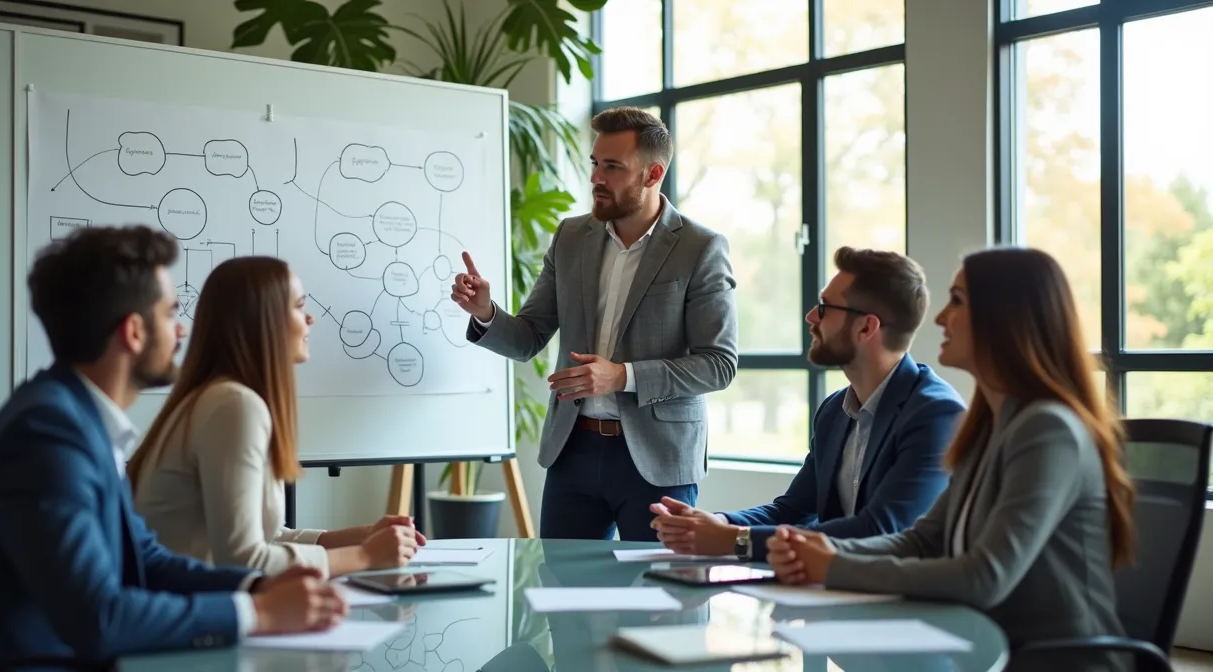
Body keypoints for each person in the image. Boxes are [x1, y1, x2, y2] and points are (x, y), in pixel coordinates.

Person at [0, 226, 347, 666]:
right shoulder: (45, 435)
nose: (182, 331)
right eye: (170, 314)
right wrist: (258, 613)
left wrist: (255, 587)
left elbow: (147, 560)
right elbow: (99, 618)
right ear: (134, 332)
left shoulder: (76, 418)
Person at [767, 247, 1136, 671]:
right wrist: (822, 551)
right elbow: (923, 541)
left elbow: (983, 577)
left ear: (1005, 318)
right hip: (984, 649)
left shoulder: (1048, 430)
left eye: (957, 301)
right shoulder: (989, 425)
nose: (941, 318)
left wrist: (833, 565)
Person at [451, 106, 738, 541]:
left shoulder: (700, 247)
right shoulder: (570, 237)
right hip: (573, 452)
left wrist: (621, 376)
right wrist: (485, 312)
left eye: (612, 167)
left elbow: (719, 364)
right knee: (561, 582)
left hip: (658, 459)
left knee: (658, 585)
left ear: (653, 174)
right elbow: (529, 337)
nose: (596, 178)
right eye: (595, 163)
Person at [649, 247, 965, 559]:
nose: (811, 316)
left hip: (899, 590)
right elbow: (794, 510)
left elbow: (880, 530)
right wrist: (718, 523)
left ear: (866, 327)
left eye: (825, 307)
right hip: (835, 585)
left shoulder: (935, 414)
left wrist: (734, 539)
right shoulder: (834, 411)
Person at [129, 256, 423, 578]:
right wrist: (364, 556)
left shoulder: (220, 398)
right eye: (299, 306)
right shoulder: (232, 405)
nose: (310, 318)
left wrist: (360, 538)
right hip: (196, 606)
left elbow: (265, 538)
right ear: (263, 320)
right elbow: (243, 560)